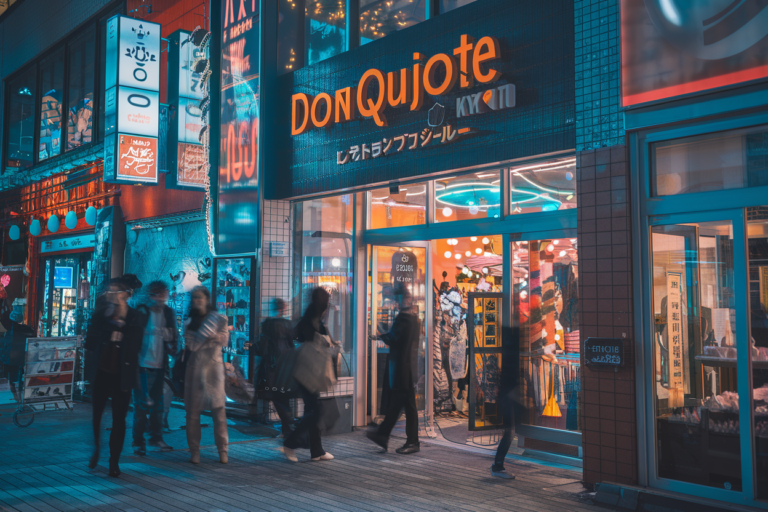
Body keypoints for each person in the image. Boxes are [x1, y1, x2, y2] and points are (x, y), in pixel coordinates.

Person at [85, 279, 144, 477]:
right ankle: (96, 448)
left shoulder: (135, 317)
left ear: (126, 295)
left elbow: (136, 346)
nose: (113, 296)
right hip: (101, 373)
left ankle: (114, 461)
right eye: (110, 293)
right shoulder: (101, 315)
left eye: (116, 293)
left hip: (122, 376)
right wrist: (107, 322)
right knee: (97, 415)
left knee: (119, 419)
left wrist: (118, 326)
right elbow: (90, 343)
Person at [366, 284, 421, 454]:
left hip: (402, 369)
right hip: (408, 368)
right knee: (405, 405)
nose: (397, 303)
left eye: (398, 300)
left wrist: (379, 335)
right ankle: (387, 436)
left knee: (402, 405)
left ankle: (391, 437)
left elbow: (393, 338)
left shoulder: (404, 319)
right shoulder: (413, 319)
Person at [282, 287, 336, 463]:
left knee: (312, 410)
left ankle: (316, 450)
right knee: (314, 411)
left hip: (310, 371)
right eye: (327, 301)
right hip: (308, 371)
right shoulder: (312, 318)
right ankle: (290, 444)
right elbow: (300, 335)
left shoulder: (313, 316)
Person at [184, 286, 229, 464]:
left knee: (219, 411)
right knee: (193, 413)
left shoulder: (219, 319)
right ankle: (194, 451)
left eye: (200, 298)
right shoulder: (189, 322)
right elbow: (190, 345)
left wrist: (214, 336)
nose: (197, 301)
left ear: (207, 299)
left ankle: (223, 449)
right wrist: (209, 337)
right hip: (195, 370)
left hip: (214, 370)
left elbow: (225, 339)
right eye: (194, 298)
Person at [132, 281, 178, 455]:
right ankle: (138, 442)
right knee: (141, 407)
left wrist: (173, 347)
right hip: (141, 366)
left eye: (165, 295)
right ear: (151, 295)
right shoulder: (142, 312)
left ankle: (155, 438)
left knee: (158, 406)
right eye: (160, 295)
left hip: (159, 366)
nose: (162, 299)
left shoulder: (167, 312)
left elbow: (173, 336)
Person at [254, 298, 295, 437]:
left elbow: (262, 345)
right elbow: (291, 344)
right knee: (283, 395)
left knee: (275, 395)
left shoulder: (267, 324)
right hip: (286, 363)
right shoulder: (288, 324)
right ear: (284, 308)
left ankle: (287, 425)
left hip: (272, 363)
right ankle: (287, 425)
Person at [491, 325, 517, 480]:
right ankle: (498, 465)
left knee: (509, 431)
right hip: (508, 397)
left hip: (507, 396)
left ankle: (498, 465)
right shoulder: (511, 358)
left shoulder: (507, 356)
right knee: (509, 432)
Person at [0, 308, 35, 403]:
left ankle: (16, 396)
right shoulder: (27, 329)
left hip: (10, 358)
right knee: (21, 378)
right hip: (24, 357)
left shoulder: (7, 329)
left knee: (12, 379)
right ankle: (20, 396)